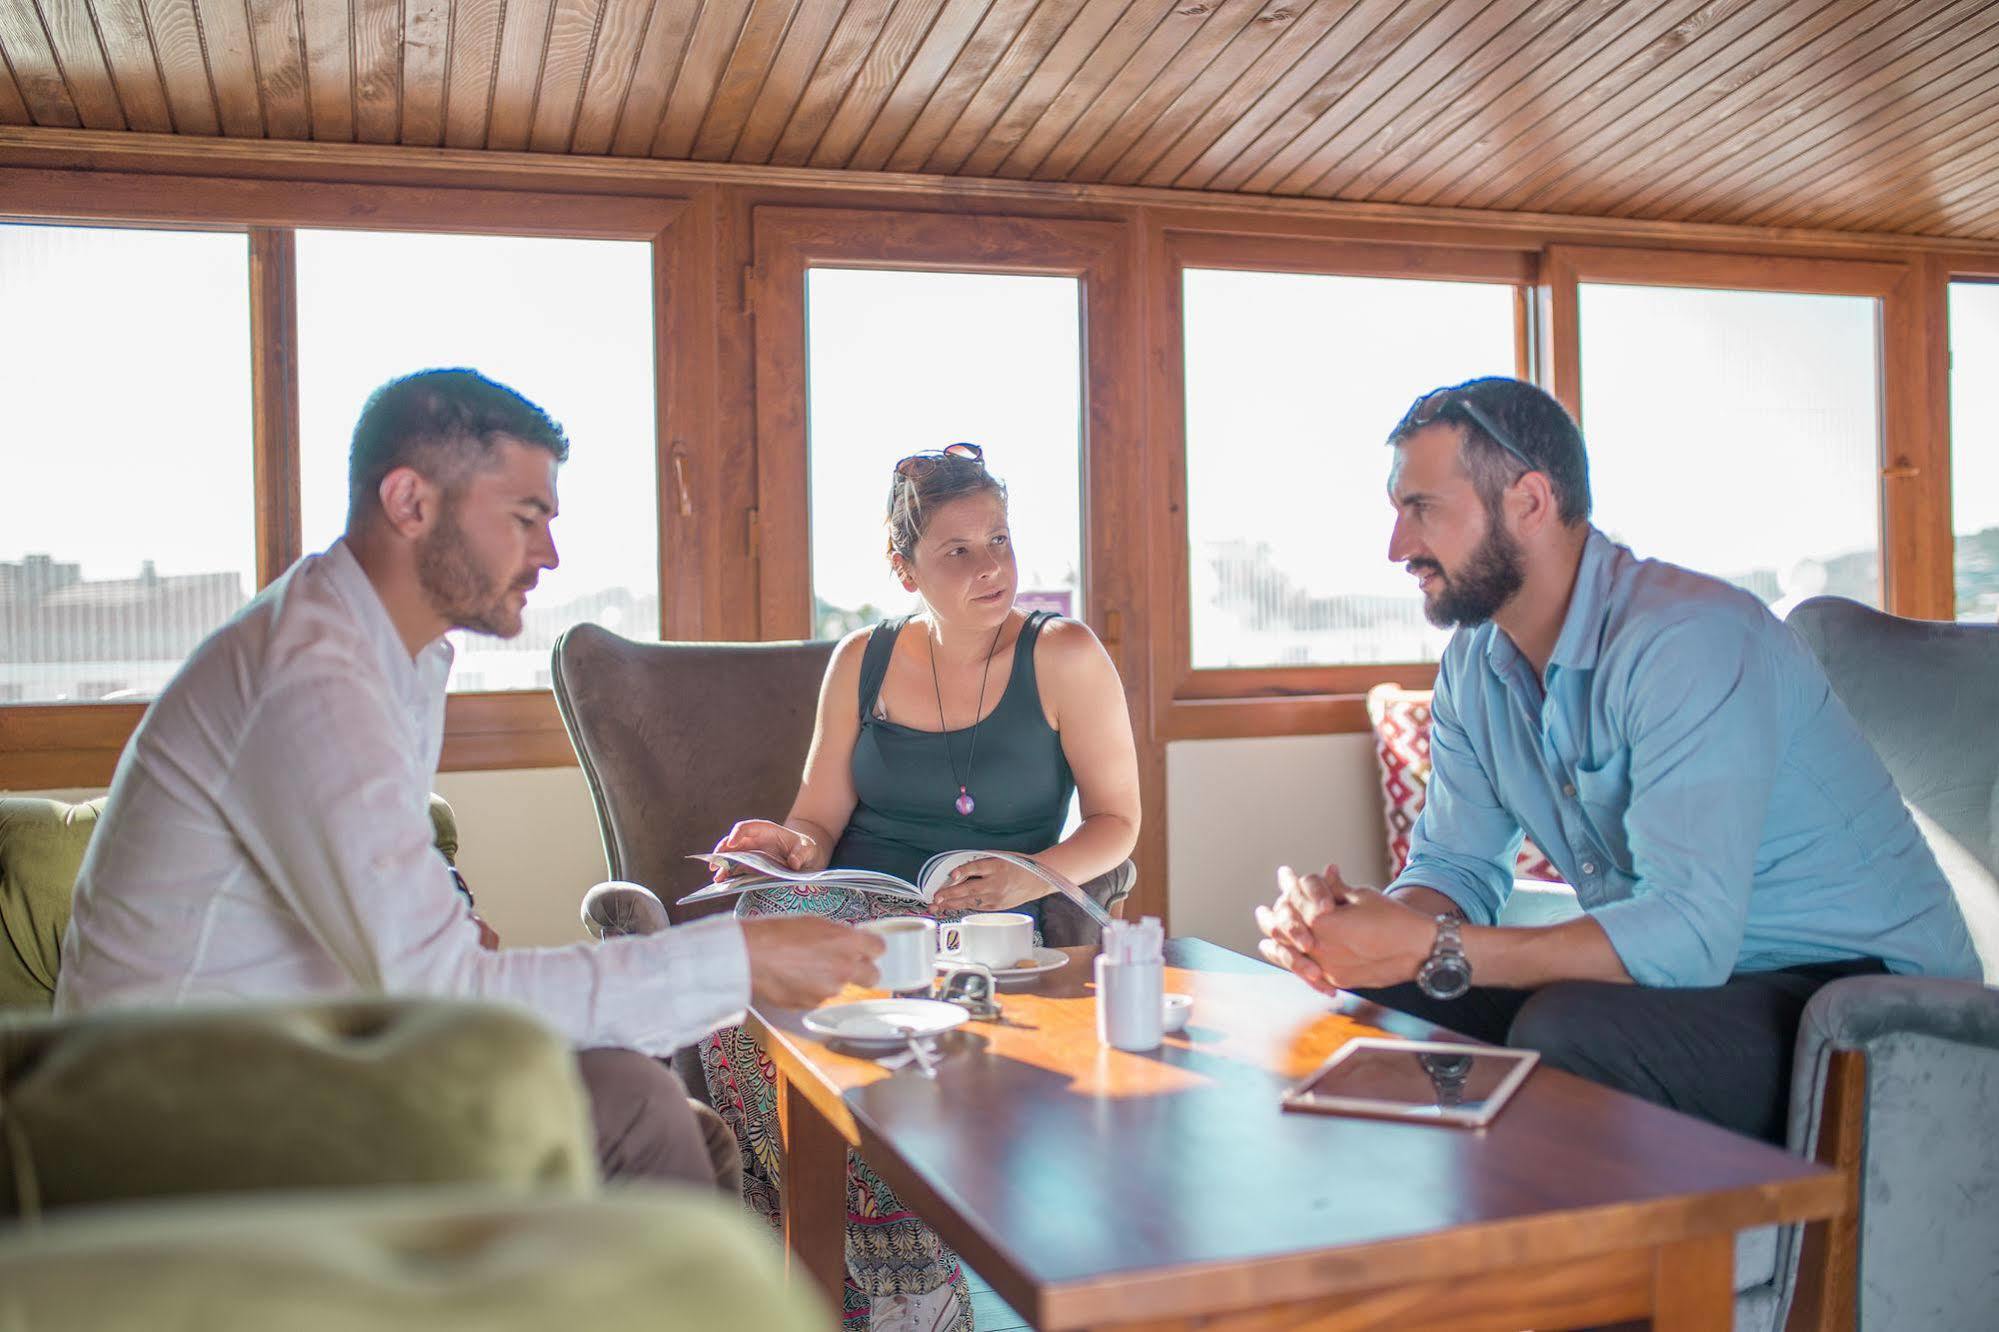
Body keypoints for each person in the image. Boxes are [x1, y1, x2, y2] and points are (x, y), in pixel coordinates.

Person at [56, 368, 883, 1193]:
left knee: (671, 1125)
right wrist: (734, 960)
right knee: (633, 1105)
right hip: (179, 1116)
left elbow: (405, 934)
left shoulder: (399, 659)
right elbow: (442, 988)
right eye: (526, 518)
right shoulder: (311, 675)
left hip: (304, 1053)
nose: (550, 554)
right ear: (411, 502)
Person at [1256, 376, 1978, 1144]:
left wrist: (1433, 947)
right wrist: (1369, 932)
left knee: (1572, 1027)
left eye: (1420, 509)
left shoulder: (1687, 641)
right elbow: (1457, 871)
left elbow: (1688, 934)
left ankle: (1590, 1258)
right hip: (1705, 977)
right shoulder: (1474, 666)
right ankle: (1446, 1246)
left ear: (1528, 503)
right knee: (1407, 999)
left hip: (1872, 1005)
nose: (1397, 547)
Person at [702, 442, 1141, 1332]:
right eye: (958, 550)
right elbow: (817, 820)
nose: (992, 567)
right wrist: (779, 845)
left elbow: (1118, 822)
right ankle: (807, 1275)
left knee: (885, 992)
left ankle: (907, 1293)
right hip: (858, 898)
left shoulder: (1063, 654)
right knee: (738, 954)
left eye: (1000, 540)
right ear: (903, 567)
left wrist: (1032, 872)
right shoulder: (861, 659)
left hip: (989, 924)